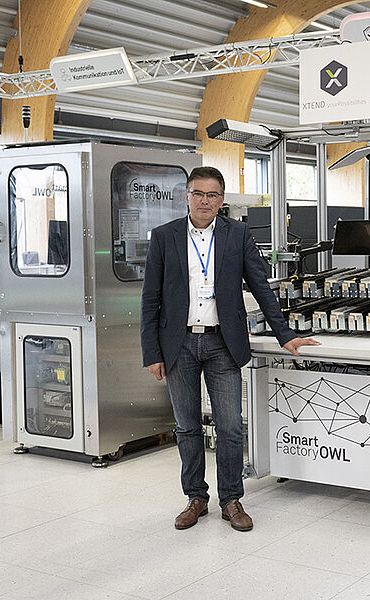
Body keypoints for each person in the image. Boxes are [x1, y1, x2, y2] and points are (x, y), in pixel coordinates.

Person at [141, 166, 320, 532]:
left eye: (212, 195)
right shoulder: (164, 237)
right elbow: (150, 299)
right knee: (187, 427)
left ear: (221, 200)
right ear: (187, 196)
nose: (205, 201)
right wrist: (152, 353)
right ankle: (195, 497)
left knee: (231, 427)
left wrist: (285, 334)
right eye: (198, 194)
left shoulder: (236, 234)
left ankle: (231, 499)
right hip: (178, 345)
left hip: (223, 342)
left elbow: (261, 286)